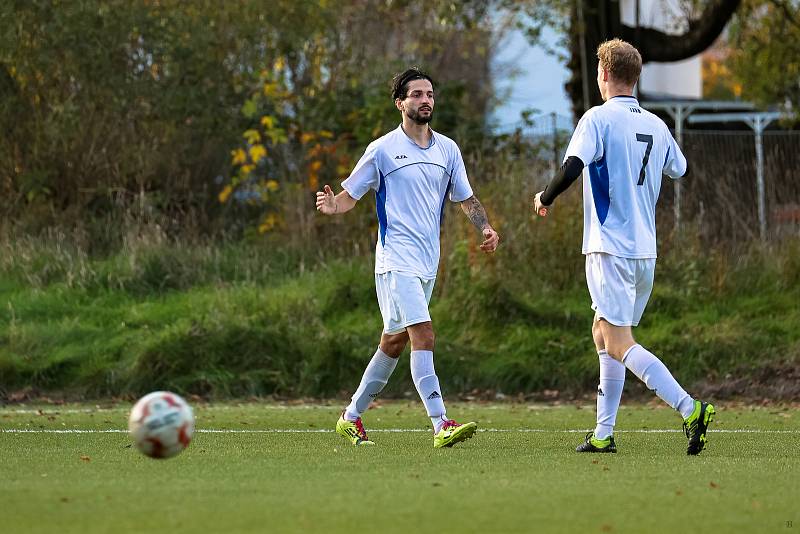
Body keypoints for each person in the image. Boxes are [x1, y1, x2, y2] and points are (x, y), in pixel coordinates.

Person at [533, 39, 715, 455]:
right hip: (644, 252)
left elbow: (572, 167)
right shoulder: (657, 124)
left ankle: (691, 409)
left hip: (609, 247)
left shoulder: (597, 118)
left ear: (604, 75)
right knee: (603, 332)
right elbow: (679, 169)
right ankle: (602, 433)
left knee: (617, 341)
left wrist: (544, 197)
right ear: (636, 78)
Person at [316, 67, 500, 448]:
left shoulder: (448, 149)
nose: (425, 100)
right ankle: (440, 424)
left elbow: (466, 198)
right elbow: (350, 194)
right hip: (395, 261)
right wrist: (334, 206)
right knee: (424, 334)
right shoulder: (382, 149)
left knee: (394, 342)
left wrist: (484, 227)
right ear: (400, 103)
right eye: (416, 94)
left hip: (426, 262)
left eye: (429, 93)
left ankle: (350, 417)